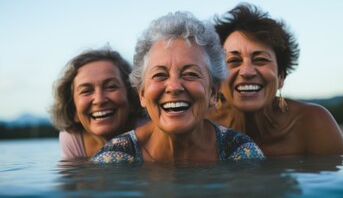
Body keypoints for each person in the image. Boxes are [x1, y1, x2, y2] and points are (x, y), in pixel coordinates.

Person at [90, 12, 264, 164]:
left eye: (190, 74)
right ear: (142, 94)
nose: (174, 87)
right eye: (160, 75)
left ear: (214, 92)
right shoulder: (113, 159)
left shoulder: (240, 153)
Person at [206, 3, 343, 156]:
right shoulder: (201, 127)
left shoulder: (313, 125)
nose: (246, 72)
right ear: (218, 79)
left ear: (281, 77)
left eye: (260, 60)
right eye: (234, 61)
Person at [50, 46, 147, 160]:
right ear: (73, 109)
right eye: (86, 91)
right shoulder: (73, 139)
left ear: (131, 97)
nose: (99, 100)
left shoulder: (149, 129)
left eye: (111, 87)